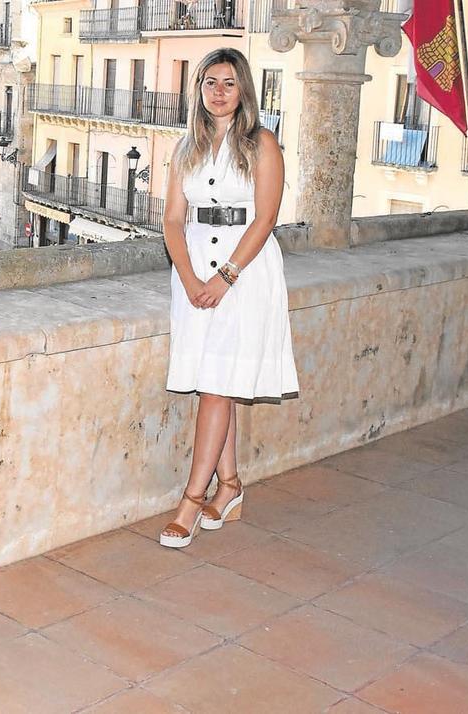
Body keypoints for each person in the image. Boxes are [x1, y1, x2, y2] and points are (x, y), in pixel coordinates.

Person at [158, 48, 298, 549]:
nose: (218, 91)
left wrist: (225, 278)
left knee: (217, 386)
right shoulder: (186, 147)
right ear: (199, 89)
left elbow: (265, 218)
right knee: (216, 377)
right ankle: (231, 487)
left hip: (247, 269)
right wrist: (191, 275)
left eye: (229, 83)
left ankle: (192, 501)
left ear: (244, 91)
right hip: (194, 265)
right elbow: (173, 219)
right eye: (210, 82)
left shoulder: (262, 144)